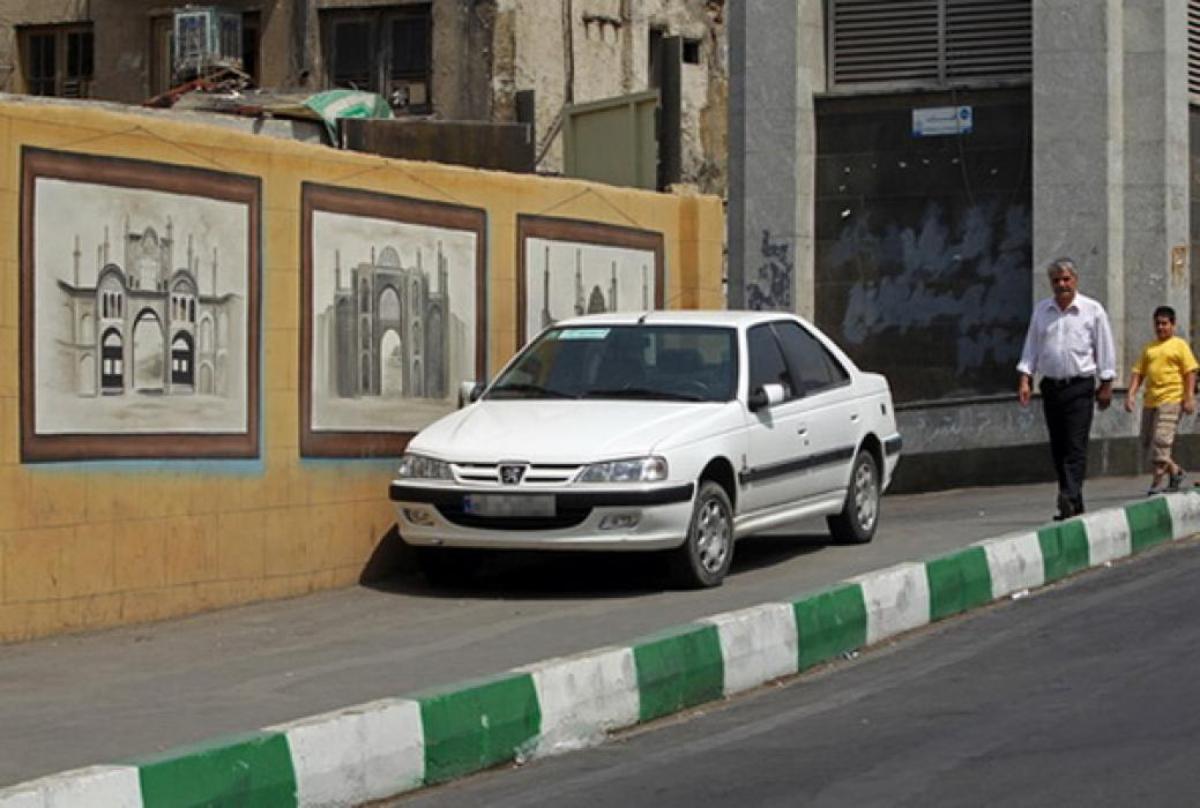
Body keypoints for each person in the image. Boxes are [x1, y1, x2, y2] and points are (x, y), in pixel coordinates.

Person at [1017, 257, 1116, 520]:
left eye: (1066, 279)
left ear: (1075, 280)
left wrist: (1106, 383)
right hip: (1051, 387)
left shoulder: (1091, 310)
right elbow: (1032, 347)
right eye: (1056, 280)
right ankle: (1073, 501)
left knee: (1075, 444)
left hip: (1080, 386)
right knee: (1059, 446)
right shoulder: (1042, 311)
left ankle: (1068, 495)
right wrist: (1025, 378)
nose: (1062, 285)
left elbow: (1104, 347)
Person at [1123, 305, 1197, 495]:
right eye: (1157, 324)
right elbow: (1138, 372)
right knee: (1148, 442)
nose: (1161, 327)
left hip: (1172, 400)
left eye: (1164, 324)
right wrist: (1131, 394)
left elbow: (1190, 372)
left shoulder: (1179, 345)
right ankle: (1175, 471)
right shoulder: (1150, 348)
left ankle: (1157, 482)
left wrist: (1189, 397)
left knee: (1161, 441)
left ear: (1173, 325)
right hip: (1151, 402)